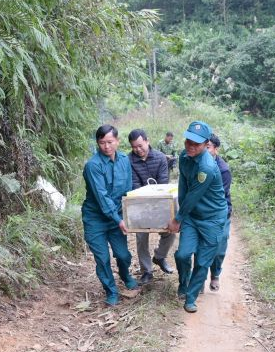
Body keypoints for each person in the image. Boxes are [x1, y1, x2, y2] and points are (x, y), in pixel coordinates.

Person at [166, 121, 227, 313]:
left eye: (196, 143)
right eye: (188, 141)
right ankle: (184, 283)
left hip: (212, 219)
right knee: (182, 254)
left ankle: (191, 298)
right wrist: (181, 215)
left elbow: (193, 196)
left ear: (206, 144)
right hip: (192, 216)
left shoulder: (206, 167)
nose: (191, 146)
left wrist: (177, 219)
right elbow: (183, 187)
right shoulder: (184, 157)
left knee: (202, 262)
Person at [82, 125, 138, 306]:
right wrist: (118, 219)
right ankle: (111, 291)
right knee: (103, 258)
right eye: (102, 143)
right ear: (97, 143)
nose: (106, 147)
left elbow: (128, 188)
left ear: (117, 141)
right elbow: (102, 197)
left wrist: (128, 214)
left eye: (110, 142)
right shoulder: (93, 166)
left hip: (117, 218)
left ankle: (125, 274)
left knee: (123, 255)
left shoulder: (124, 160)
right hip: (95, 219)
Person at [128, 129, 176, 285]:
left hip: (160, 201)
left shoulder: (161, 158)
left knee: (170, 231)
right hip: (139, 203)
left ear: (147, 141)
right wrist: (144, 198)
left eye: (140, 145)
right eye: (134, 147)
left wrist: (154, 197)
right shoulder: (129, 161)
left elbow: (163, 182)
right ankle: (146, 271)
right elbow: (134, 185)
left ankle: (160, 256)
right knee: (141, 236)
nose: (138, 150)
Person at [206, 134, 232, 291]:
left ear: (216, 149)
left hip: (220, 213)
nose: (205, 150)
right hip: (202, 213)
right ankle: (199, 278)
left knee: (219, 244)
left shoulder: (223, 170)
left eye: (208, 147)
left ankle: (215, 274)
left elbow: (219, 197)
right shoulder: (196, 164)